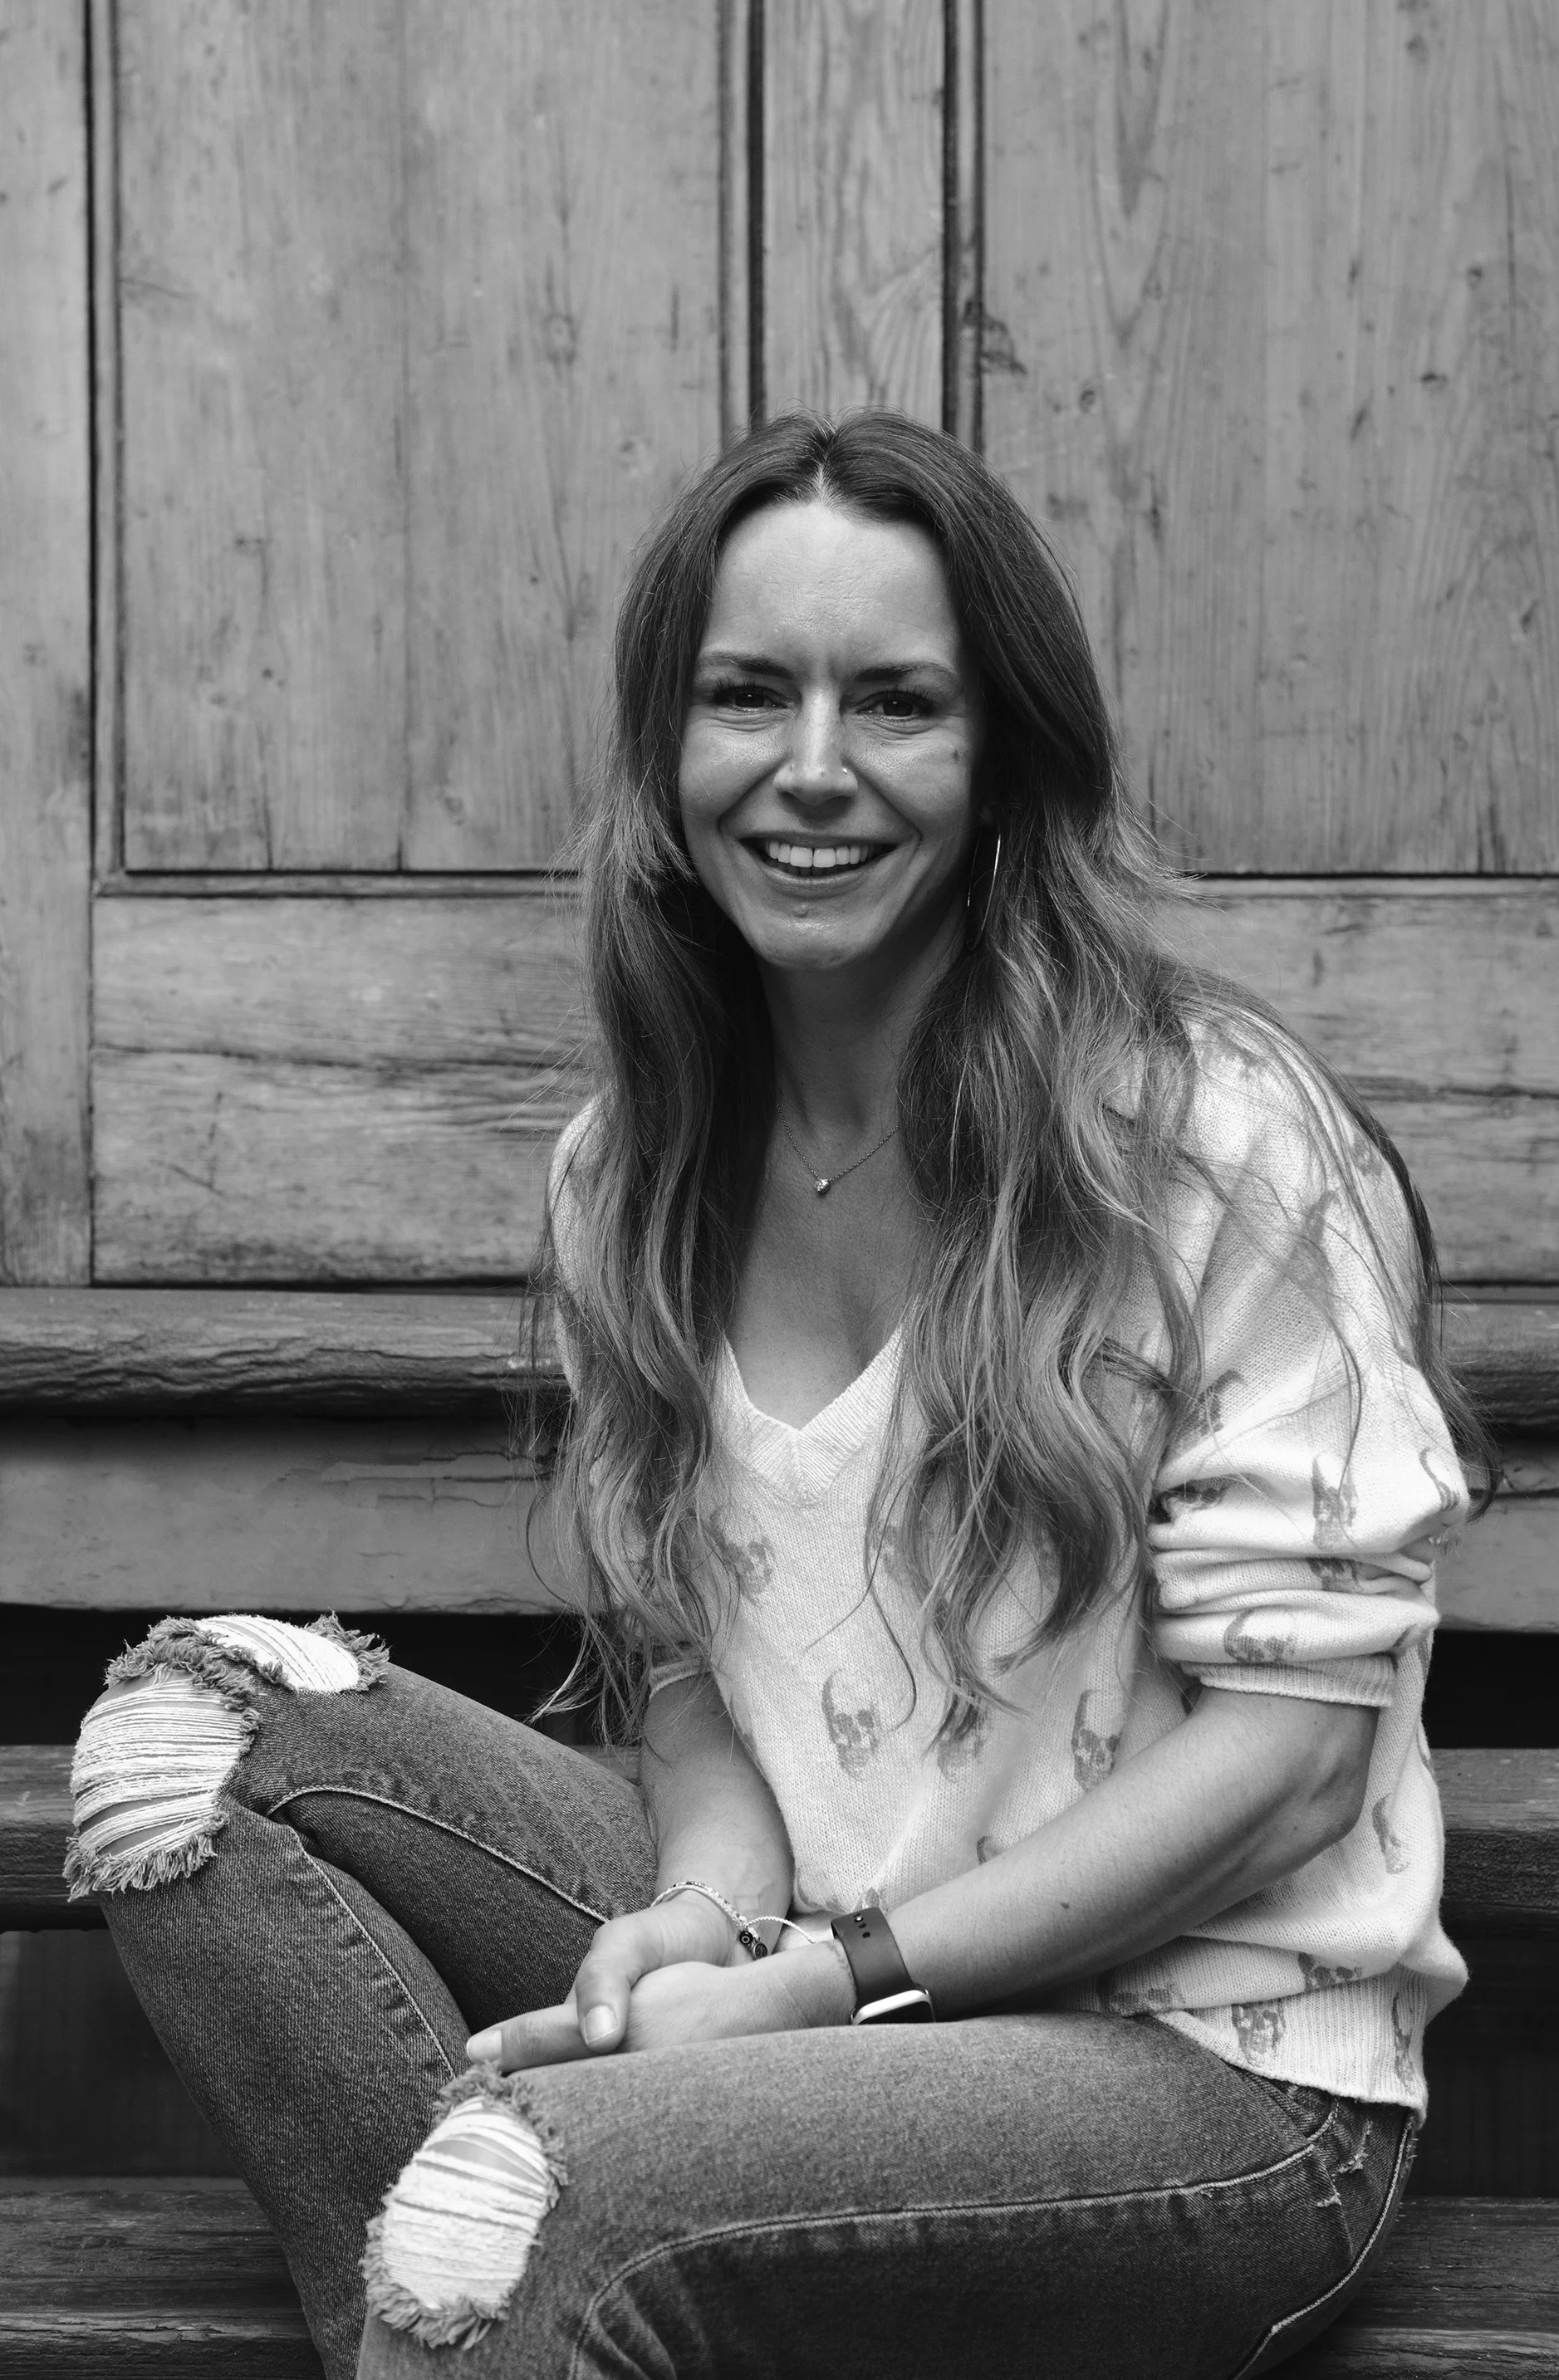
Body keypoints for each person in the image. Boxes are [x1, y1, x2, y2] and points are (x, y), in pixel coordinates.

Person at [70, 409, 1478, 2380]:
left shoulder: (1208, 1136)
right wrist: (710, 1919)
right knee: (188, 1754)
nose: (811, 772)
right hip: (812, 1968)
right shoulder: (625, 1172)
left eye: (894, 703)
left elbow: (1300, 1751)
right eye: (749, 695)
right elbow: (684, 1681)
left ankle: (517, 2283)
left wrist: (825, 1987)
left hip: (1208, 2078)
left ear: (999, 764)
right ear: (669, 750)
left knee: (529, 2188)